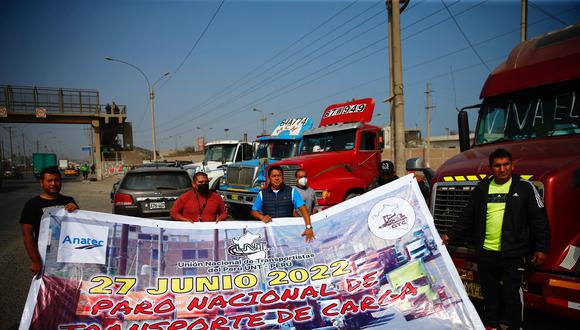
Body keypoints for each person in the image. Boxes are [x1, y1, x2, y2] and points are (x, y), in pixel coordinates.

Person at [442, 148, 550, 330]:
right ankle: (491, 324)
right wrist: (449, 235)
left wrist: (542, 247)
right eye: (497, 165)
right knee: (489, 293)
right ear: (491, 168)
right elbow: (467, 216)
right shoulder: (482, 188)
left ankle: (515, 326)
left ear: (512, 165)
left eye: (506, 164)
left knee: (512, 294)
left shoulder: (525, 187)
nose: (502, 169)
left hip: (513, 253)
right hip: (486, 252)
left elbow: (539, 219)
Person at [20, 166, 78, 277]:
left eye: (56, 180)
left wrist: (76, 210)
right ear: (42, 183)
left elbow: (80, 227)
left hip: (68, 256)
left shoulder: (69, 200)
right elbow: (27, 235)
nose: (53, 184)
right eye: (49, 180)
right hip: (44, 258)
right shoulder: (32, 204)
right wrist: (35, 261)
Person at [251, 165, 315, 242]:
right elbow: (253, 211)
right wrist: (262, 217)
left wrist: (308, 227)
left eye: (279, 175)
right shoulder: (262, 194)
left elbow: (303, 209)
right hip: (270, 234)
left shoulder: (292, 192)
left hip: (288, 234)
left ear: (283, 177)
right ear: (269, 178)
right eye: (274, 176)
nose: (277, 178)